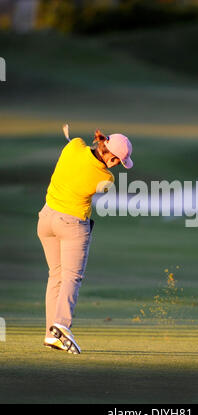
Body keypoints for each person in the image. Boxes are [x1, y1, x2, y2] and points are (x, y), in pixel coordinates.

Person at [37, 127, 133, 354]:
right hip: (72, 225)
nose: (119, 165)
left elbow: (77, 149)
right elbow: (95, 177)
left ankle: (52, 335)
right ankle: (61, 325)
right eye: (119, 160)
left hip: (46, 219)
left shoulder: (74, 145)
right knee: (72, 277)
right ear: (110, 155)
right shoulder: (106, 178)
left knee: (56, 277)